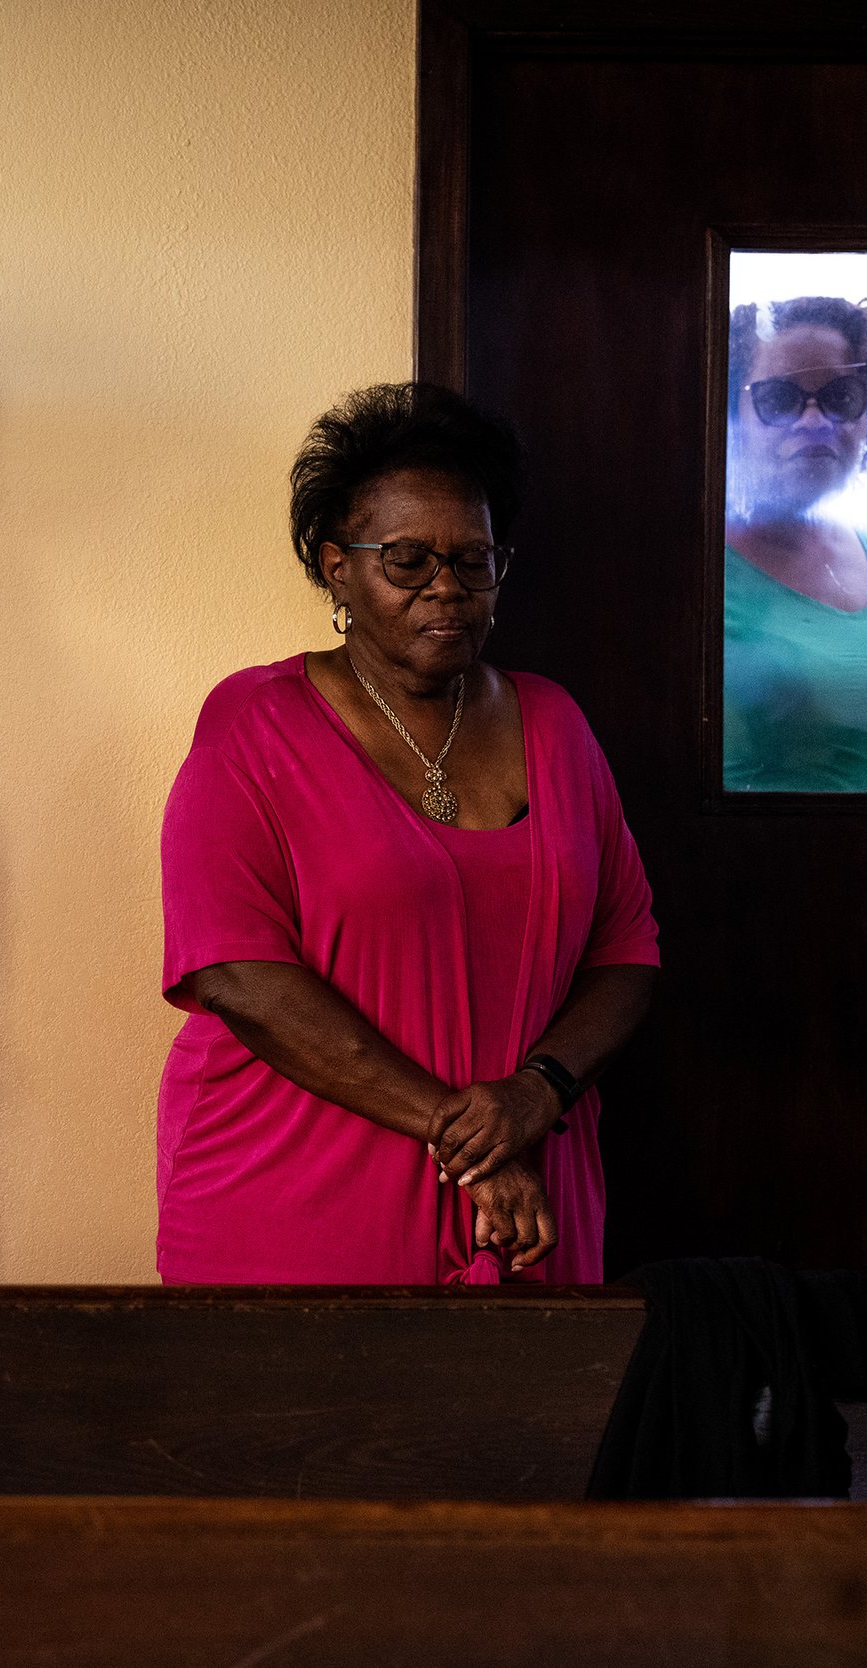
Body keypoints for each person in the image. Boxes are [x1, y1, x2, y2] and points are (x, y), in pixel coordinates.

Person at [156, 382, 660, 1284]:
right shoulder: (254, 725)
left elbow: (627, 952)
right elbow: (236, 973)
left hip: (527, 1202)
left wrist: (535, 1095)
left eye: (476, 560)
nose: (448, 589)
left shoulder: (556, 725)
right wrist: (470, 1138)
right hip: (296, 1200)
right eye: (408, 560)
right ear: (335, 566)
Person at [723, 295, 867, 793]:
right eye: (778, 399)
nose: (815, 422)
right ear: (735, 413)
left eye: (841, 396)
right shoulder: (696, 568)